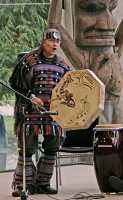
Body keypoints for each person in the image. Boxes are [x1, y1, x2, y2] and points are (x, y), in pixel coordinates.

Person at [9, 28, 70, 197]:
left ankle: (42, 183)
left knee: (53, 145)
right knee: (27, 148)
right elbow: (14, 82)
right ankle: (24, 185)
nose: (54, 44)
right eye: (51, 41)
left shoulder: (63, 66)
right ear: (43, 42)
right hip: (29, 111)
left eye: (57, 42)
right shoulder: (28, 60)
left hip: (53, 112)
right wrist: (31, 96)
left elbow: (70, 89)